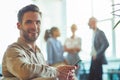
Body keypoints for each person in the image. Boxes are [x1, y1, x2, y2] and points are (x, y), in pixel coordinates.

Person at [2, 4, 77, 80]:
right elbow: (24, 72)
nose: (34, 27)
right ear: (19, 25)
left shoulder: (38, 52)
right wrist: (56, 72)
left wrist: (65, 75)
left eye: (38, 22)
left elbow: (42, 76)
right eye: (28, 22)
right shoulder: (12, 50)